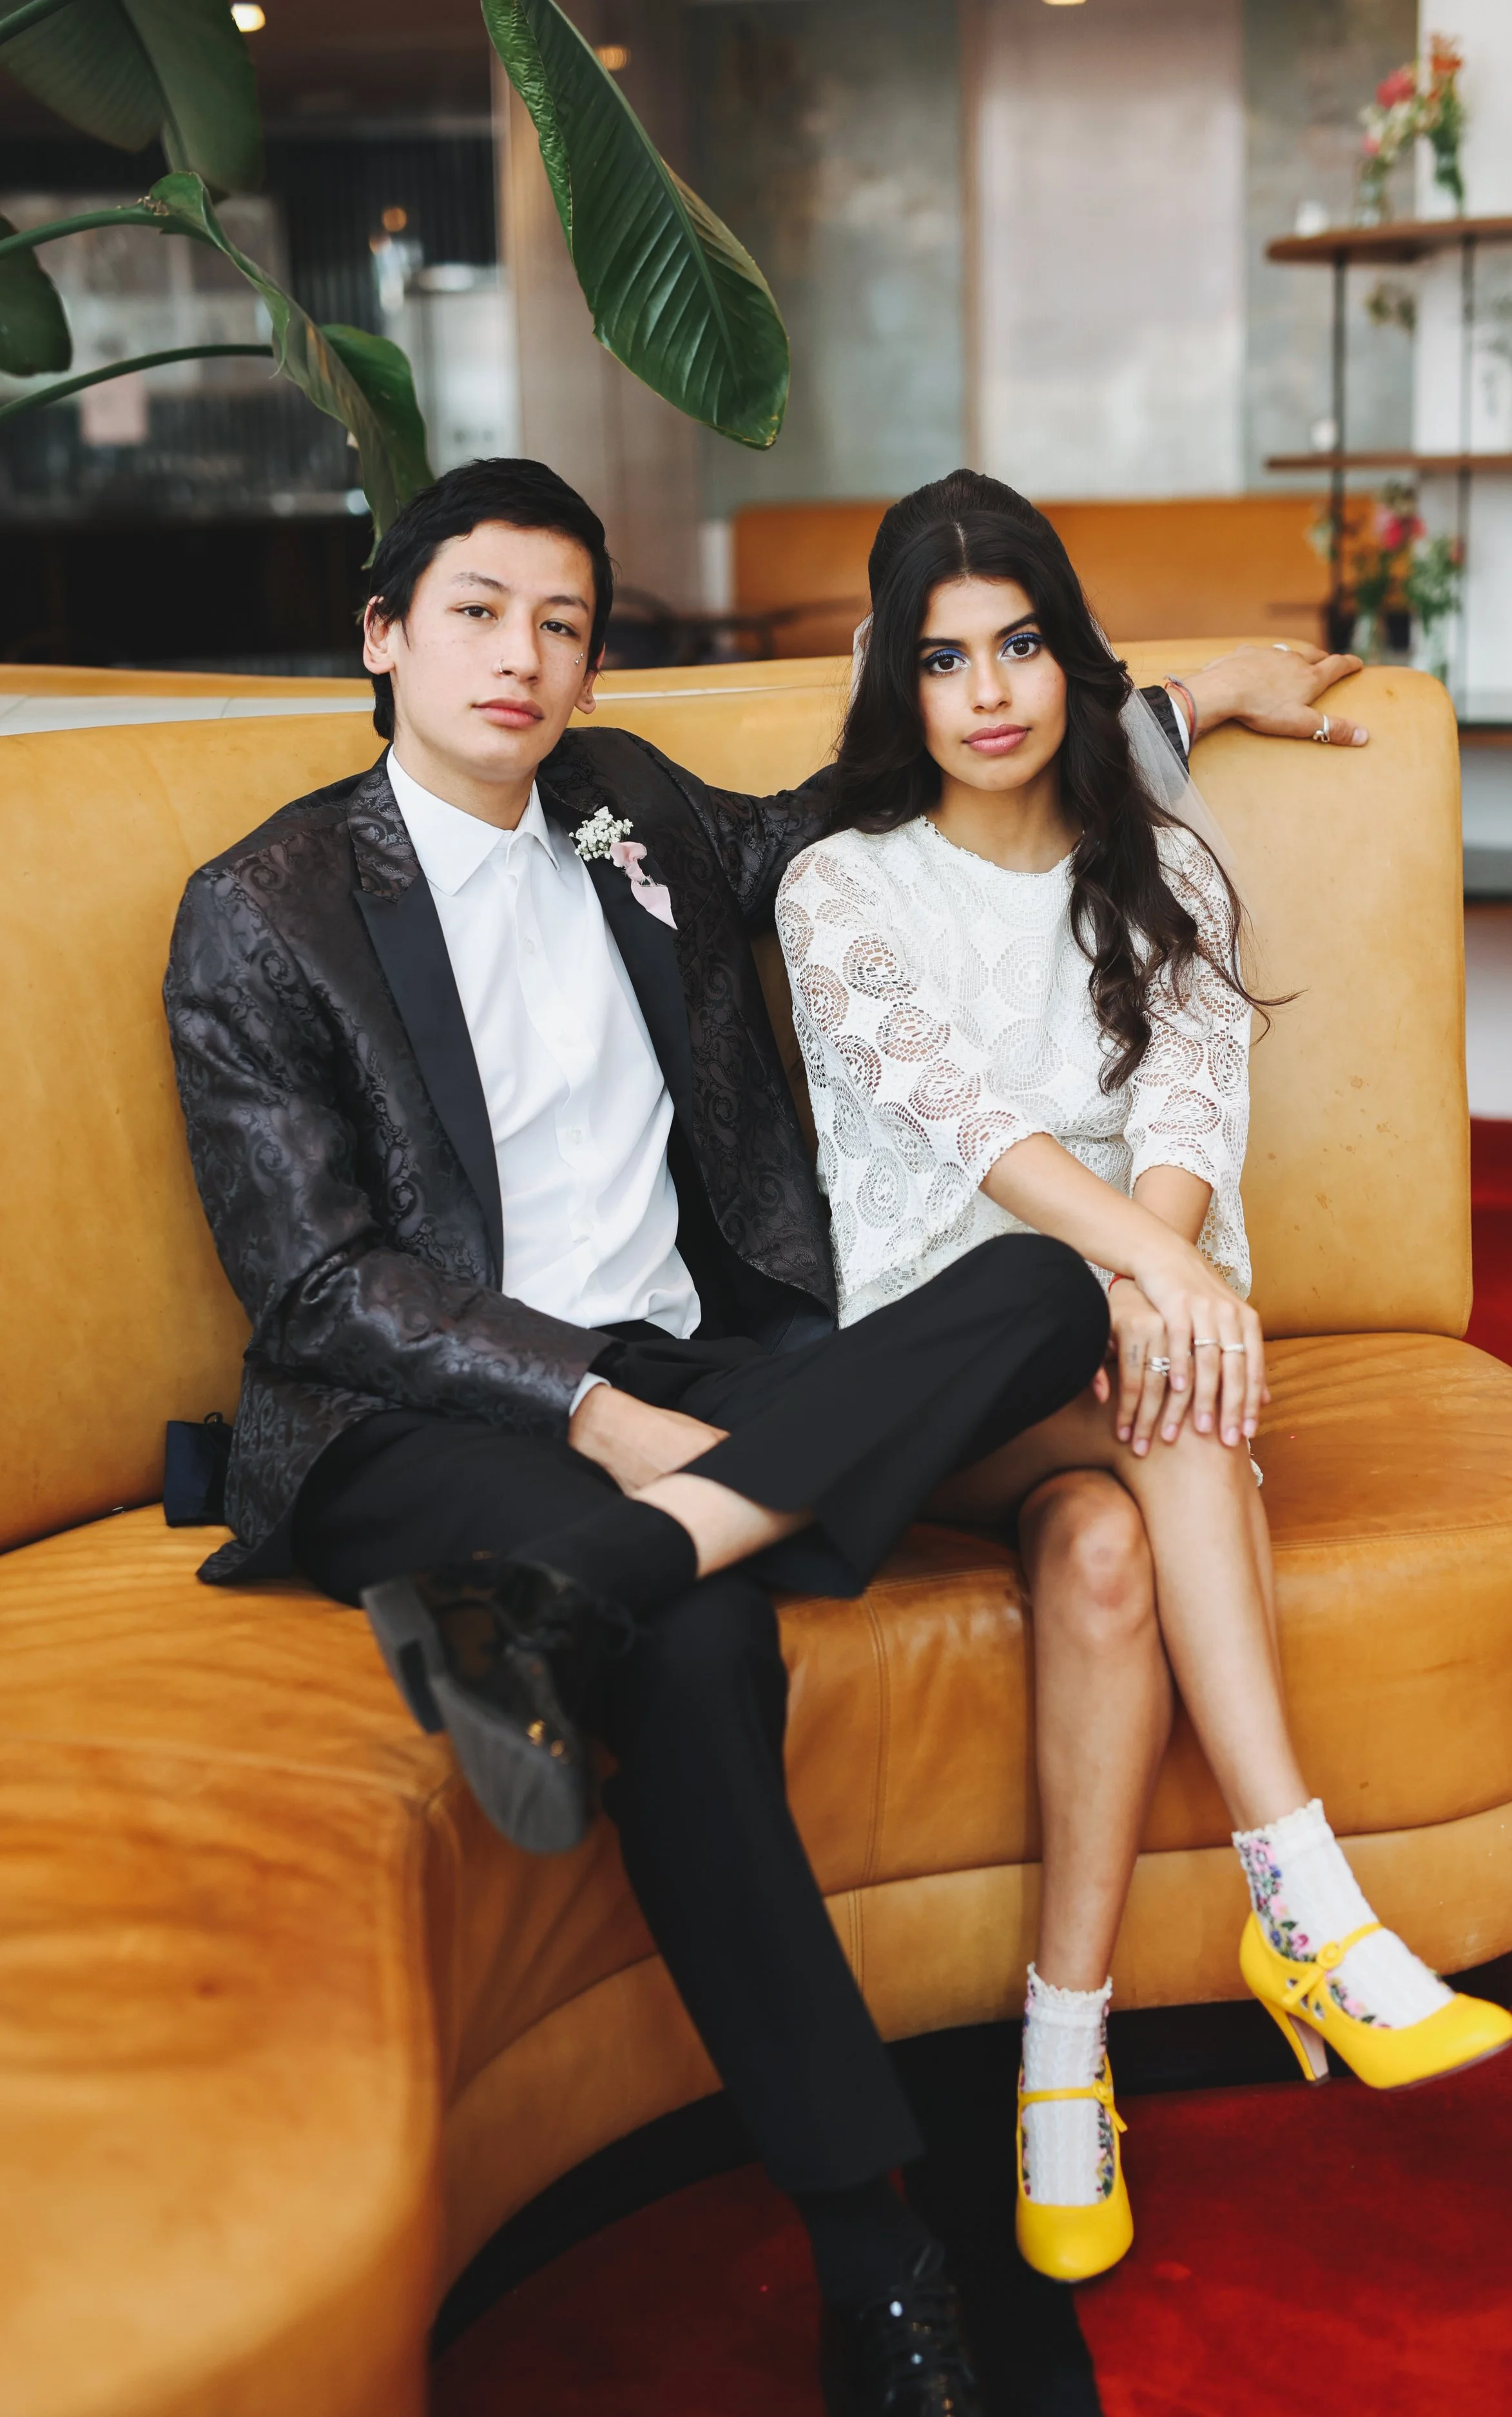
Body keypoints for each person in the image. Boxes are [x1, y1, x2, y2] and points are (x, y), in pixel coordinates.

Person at [164, 454, 1384, 2415]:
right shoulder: (265, 911)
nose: (524, 657)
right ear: (381, 632)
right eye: (476, 610)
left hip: (702, 1365)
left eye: (562, 622)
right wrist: (596, 1411)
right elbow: (314, 1287)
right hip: (427, 1411)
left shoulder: (628, 807)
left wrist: (1161, 702)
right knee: (701, 1638)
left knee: (1059, 1272)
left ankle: (570, 1590)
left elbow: (888, 788)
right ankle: (873, 2248)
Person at [779, 470, 1512, 2292]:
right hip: (933, 1365)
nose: (990, 691)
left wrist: (1161, 1262)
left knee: (1110, 1549)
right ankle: (1310, 1902)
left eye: (1021, 641)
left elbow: (1188, 1097)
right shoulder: (833, 887)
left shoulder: (1161, 858)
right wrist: (1162, 1274)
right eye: (945, 658)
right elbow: (972, 1136)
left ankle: (1060, 2059)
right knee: (1143, 1364)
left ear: (1066, 654)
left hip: (1127, 1355)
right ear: (898, 681)